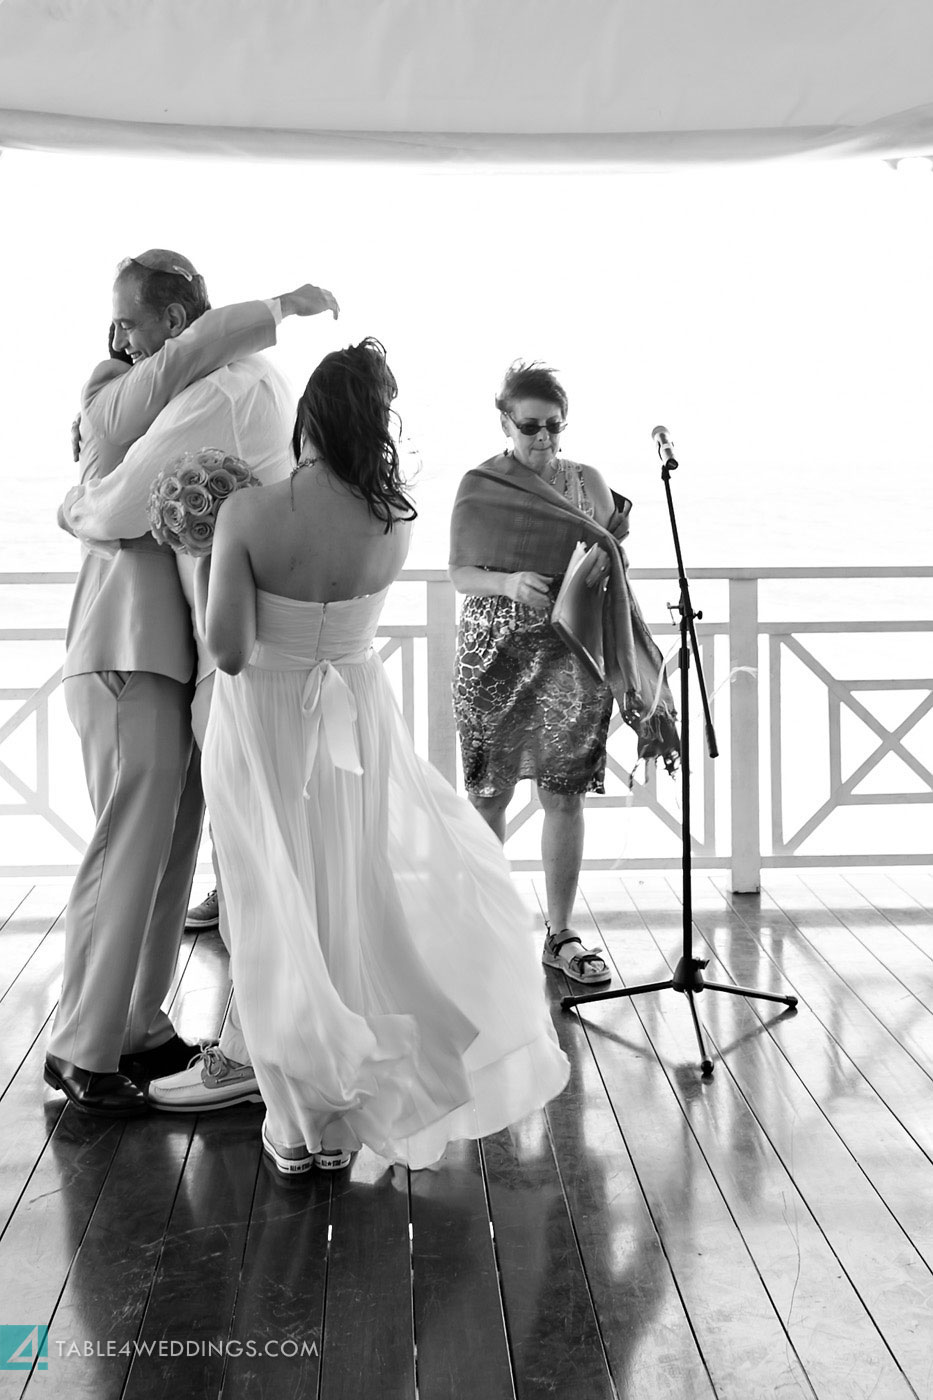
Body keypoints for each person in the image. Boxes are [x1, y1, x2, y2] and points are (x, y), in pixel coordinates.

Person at [196, 338, 570, 1175]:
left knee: (271, 902)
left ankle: (297, 1123)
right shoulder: (392, 518)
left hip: (264, 718)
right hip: (356, 720)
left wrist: (202, 562)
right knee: (347, 899)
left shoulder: (249, 515)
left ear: (309, 420)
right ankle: (339, 1124)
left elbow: (226, 649)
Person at [48, 248, 338, 1117]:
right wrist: (84, 492)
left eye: (129, 322)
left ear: (174, 323)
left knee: (169, 847)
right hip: (126, 647)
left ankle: (135, 1024)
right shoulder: (159, 394)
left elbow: (122, 498)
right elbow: (126, 484)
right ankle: (79, 1047)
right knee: (130, 843)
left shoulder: (215, 389)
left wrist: (80, 499)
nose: (117, 340)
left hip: (175, 655)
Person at [449, 361, 678, 987]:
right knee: (488, 794)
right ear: (504, 421)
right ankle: (488, 928)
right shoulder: (480, 486)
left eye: (554, 426)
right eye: (530, 427)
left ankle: (559, 933)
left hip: (570, 657)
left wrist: (604, 578)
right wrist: (507, 583)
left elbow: (611, 556)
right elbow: (460, 573)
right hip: (493, 654)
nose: (544, 439)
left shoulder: (590, 483)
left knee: (563, 796)